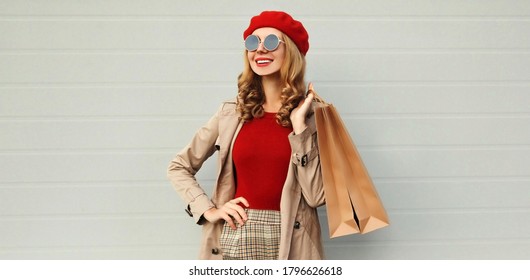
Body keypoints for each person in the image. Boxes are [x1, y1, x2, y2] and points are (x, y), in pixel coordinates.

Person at [167, 10, 325, 260]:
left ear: (291, 52)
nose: (260, 50)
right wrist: (208, 209)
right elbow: (179, 166)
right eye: (253, 42)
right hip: (237, 235)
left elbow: (316, 196)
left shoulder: (313, 118)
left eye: (271, 42)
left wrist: (299, 127)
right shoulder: (231, 114)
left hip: (292, 241)